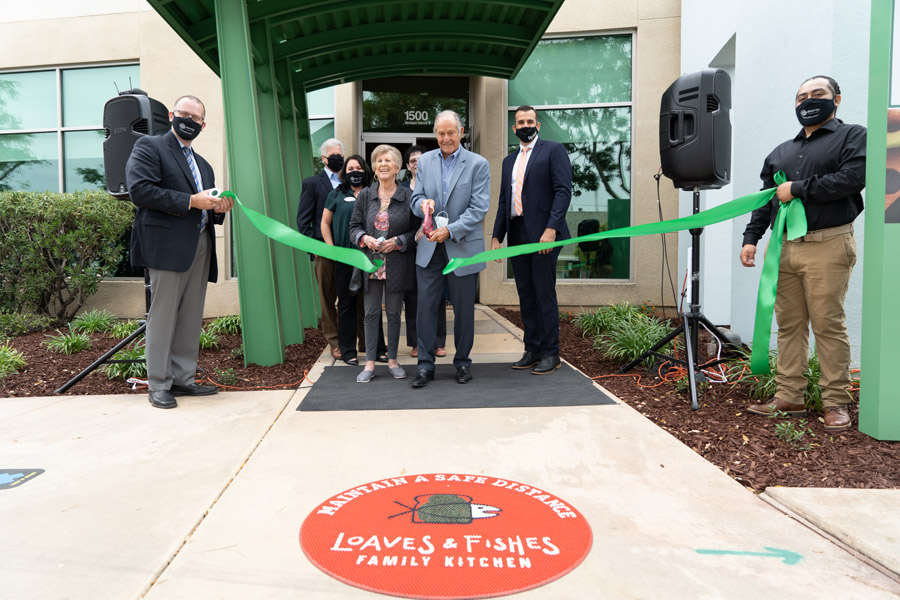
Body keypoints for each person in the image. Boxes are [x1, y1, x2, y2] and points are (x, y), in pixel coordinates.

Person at [740, 75, 865, 431]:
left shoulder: (853, 136)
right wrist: (751, 238)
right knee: (789, 325)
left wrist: (797, 188)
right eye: (801, 96)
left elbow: (852, 179)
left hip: (828, 243)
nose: (809, 100)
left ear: (836, 99)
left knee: (828, 324)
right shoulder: (781, 151)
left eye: (818, 94)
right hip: (783, 247)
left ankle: (836, 402)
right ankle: (789, 396)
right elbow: (766, 200)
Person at [125, 95, 233, 410]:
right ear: (172, 115)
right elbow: (141, 191)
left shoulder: (204, 165)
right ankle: (159, 384)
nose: (189, 120)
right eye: (184, 114)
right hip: (166, 246)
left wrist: (219, 208)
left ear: (203, 125)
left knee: (189, 315)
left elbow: (209, 207)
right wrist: (190, 201)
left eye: (196, 118)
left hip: (200, 242)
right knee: (163, 315)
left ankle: (184, 379)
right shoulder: (150, 147)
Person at [410, 110, 490, 388]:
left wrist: (452, 230)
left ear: (462, 132)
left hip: (463, 246)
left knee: (464, 310)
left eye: (451, 132)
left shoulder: (478, 164)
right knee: (425, 309)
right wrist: (421, 204)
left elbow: (479, 208)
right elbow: (415, 196)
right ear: (436, 134)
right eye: (441, 133)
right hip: (430, 247)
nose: (446, 138)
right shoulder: (425, 161)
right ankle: (425, 365)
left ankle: (463, 363)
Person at [491, 106, 572, 375]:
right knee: (526, 294)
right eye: (520, 122)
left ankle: (551, 352)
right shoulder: (507, 161)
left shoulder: (553, 150)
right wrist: (496, 236)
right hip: (517, 234)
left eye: (530, 121)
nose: (525, 125)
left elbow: (563, 192)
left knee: (543, 293)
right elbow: (505, 200)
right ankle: (532, 348)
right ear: (514, 129)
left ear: (538, 125)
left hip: (543, 235)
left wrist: (551, 229)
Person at [349, 145, 420, 383]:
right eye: (379, 161)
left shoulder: (408, 196)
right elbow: (353, 227)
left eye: (388, 160)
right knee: (370, 314)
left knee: (393, 313)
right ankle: (369, 363)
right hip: (371, 263)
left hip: (397, 263)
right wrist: (363, 238)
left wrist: (399, 241)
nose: (383, 164)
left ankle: (392, 361)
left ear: (398, 167)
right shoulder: (366, 195)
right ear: (375, 167)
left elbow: (417, 231)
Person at [322, 155, 376, 366]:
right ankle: (347, 349)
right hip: (344, 256)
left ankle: (376, 347)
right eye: (351, 168)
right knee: (346, 304)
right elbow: (325, 223)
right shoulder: (336, 194)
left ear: (365, 171)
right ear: (344, 172)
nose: (355, 171)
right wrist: (331, 248)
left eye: (359, 167)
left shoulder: (373, 193)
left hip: (369, 256)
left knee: (371, 304)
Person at [297, 138, 344, 360]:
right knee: (327, 298)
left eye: (340, 156)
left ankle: (352, 339)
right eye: (333, 156)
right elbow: (303, 221)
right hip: (324, 250)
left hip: (348, 248)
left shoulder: (349, 181)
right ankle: (334, 342)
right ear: (323, 158)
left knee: (349, 296)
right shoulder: (312, 183)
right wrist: (314, 249)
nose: (337, 159)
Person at [401, 144, 447, 358]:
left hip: (432, 246)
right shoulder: (402, 190)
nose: (417, 164)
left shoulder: (434, 184)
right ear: (408, 165)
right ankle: (416, 343)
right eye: (413, 161)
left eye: (421, 160)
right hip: (409, 249)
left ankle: (438, 342)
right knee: (413, 298)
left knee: (436, 296)